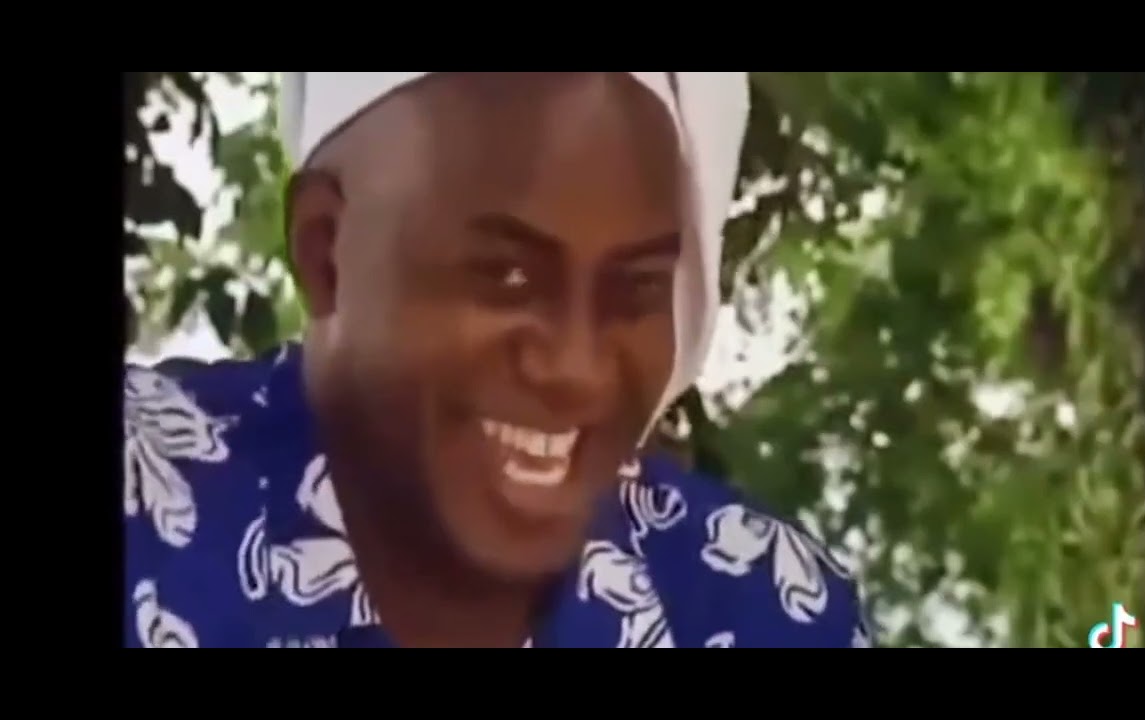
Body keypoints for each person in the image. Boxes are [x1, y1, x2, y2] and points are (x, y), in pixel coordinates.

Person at [124, 72, 873, 648]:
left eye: (637, 289)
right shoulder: (146, 503)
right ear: (327, 254)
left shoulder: (756, 604)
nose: (577, 367)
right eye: (508, 276)